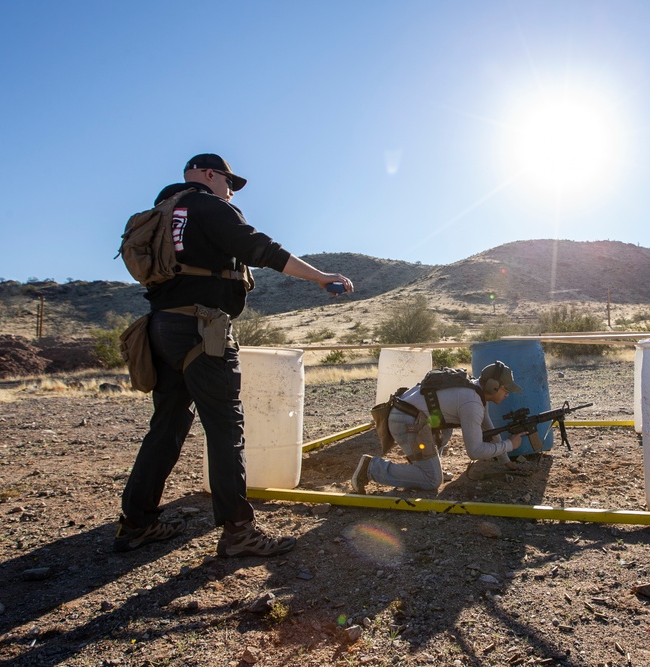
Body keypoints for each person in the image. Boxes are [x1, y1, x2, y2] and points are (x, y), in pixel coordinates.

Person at [115, 153, 354, 557]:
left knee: (167, 426)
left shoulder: (163, 213)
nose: (230, 189)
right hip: (201, 329)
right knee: (226, 429)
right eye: (229, 181)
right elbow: (261, 249)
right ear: (209, 174)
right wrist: (320, 277)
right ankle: (238, 532)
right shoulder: (209, 205)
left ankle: (137, 522)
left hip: (160, 328)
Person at [352, 361, 528, 493]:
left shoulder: (476, 391)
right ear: (493, 386)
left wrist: (506, 461)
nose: (507, 394)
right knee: (432, 480)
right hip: (407, 421)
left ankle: (424, 463)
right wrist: (510, 445)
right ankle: (371, 468)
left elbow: (487, 427)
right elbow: (474, 451)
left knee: (446, 427)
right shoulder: (472, 402)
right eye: (506, 389)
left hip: (410, 417)